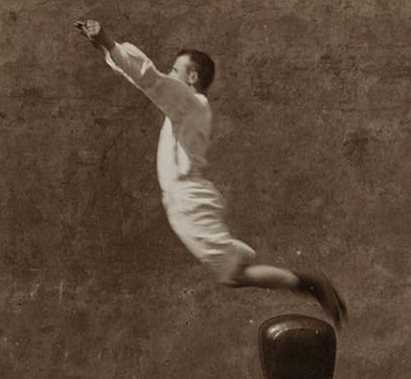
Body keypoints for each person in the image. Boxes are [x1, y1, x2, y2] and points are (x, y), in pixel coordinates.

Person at [74, 19, 347, 327]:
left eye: (176, 70)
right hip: (188, 198)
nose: (171, 75)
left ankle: (310, 284)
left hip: (187, 199)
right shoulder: (190, 108)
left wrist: (110, 43)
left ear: (192, 77)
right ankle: (306, 283)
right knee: (234, 276)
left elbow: (151, 79)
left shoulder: (190, 103)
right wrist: (110, 49)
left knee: (233, 275)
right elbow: (154, 80)